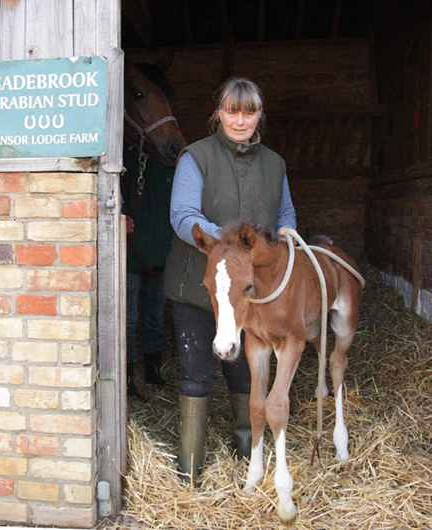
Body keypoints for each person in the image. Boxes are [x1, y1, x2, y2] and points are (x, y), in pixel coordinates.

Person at [163, 77, 298, 482]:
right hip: (199, 288)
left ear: (260, 115)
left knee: (246, 372)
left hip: (249, 295)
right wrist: (226, 245)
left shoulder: (275, 164)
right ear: (218, 113)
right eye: (231, 111)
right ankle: (190, 469)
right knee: (196, 372)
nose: (240, 121)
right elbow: (183, 215)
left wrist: (288, 232)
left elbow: (285, 214)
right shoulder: (196, 157)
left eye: (249, 111)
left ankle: (247, 458)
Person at [121, 144, 175, 400]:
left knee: (155, 315)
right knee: (129, 319)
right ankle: (127, 376)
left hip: (160, 253)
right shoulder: (123, 160)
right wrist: (120, 218)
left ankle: (153, 370)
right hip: (132, 254)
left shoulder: (168, 163)